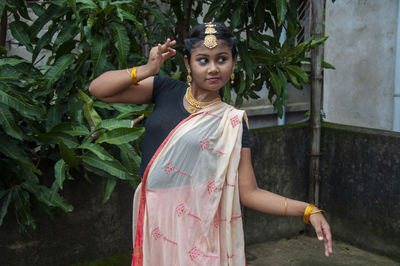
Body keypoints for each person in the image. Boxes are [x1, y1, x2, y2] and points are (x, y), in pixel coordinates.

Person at [89, 22, 332, 266]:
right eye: (203, 60)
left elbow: (250, 193)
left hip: (198, 224)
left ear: (233, 63)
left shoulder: (232, 122)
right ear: (188, 63)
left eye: (222, 59)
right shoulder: (166, 90)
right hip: (154, 217)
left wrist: (307, 210)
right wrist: (146, 69)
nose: (213, 68)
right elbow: (99, 89)